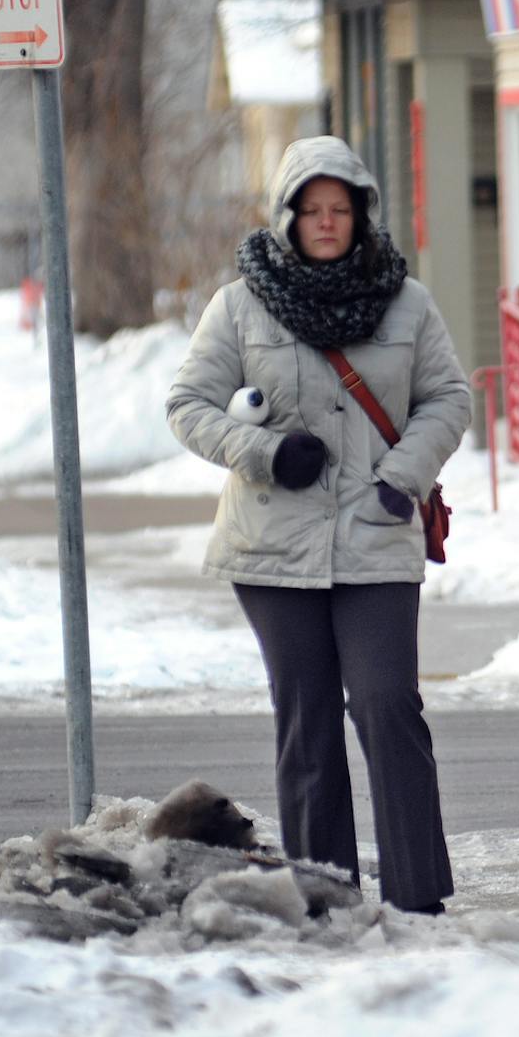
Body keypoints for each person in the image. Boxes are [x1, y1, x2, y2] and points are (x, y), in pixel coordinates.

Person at [166, 135, 471, 915]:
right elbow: (187, 406)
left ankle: (417, 894)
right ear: (287, 217)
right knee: (305, 720)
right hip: (272, 545)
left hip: (377, 529)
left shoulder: (407, 303)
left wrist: (403, 478)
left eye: (341, 210)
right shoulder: (240, 304)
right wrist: (265, 452)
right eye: (313, 210)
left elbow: (448, 399)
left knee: (385, 703)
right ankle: (324, 895)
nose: (327, 223)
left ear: (361, 214)